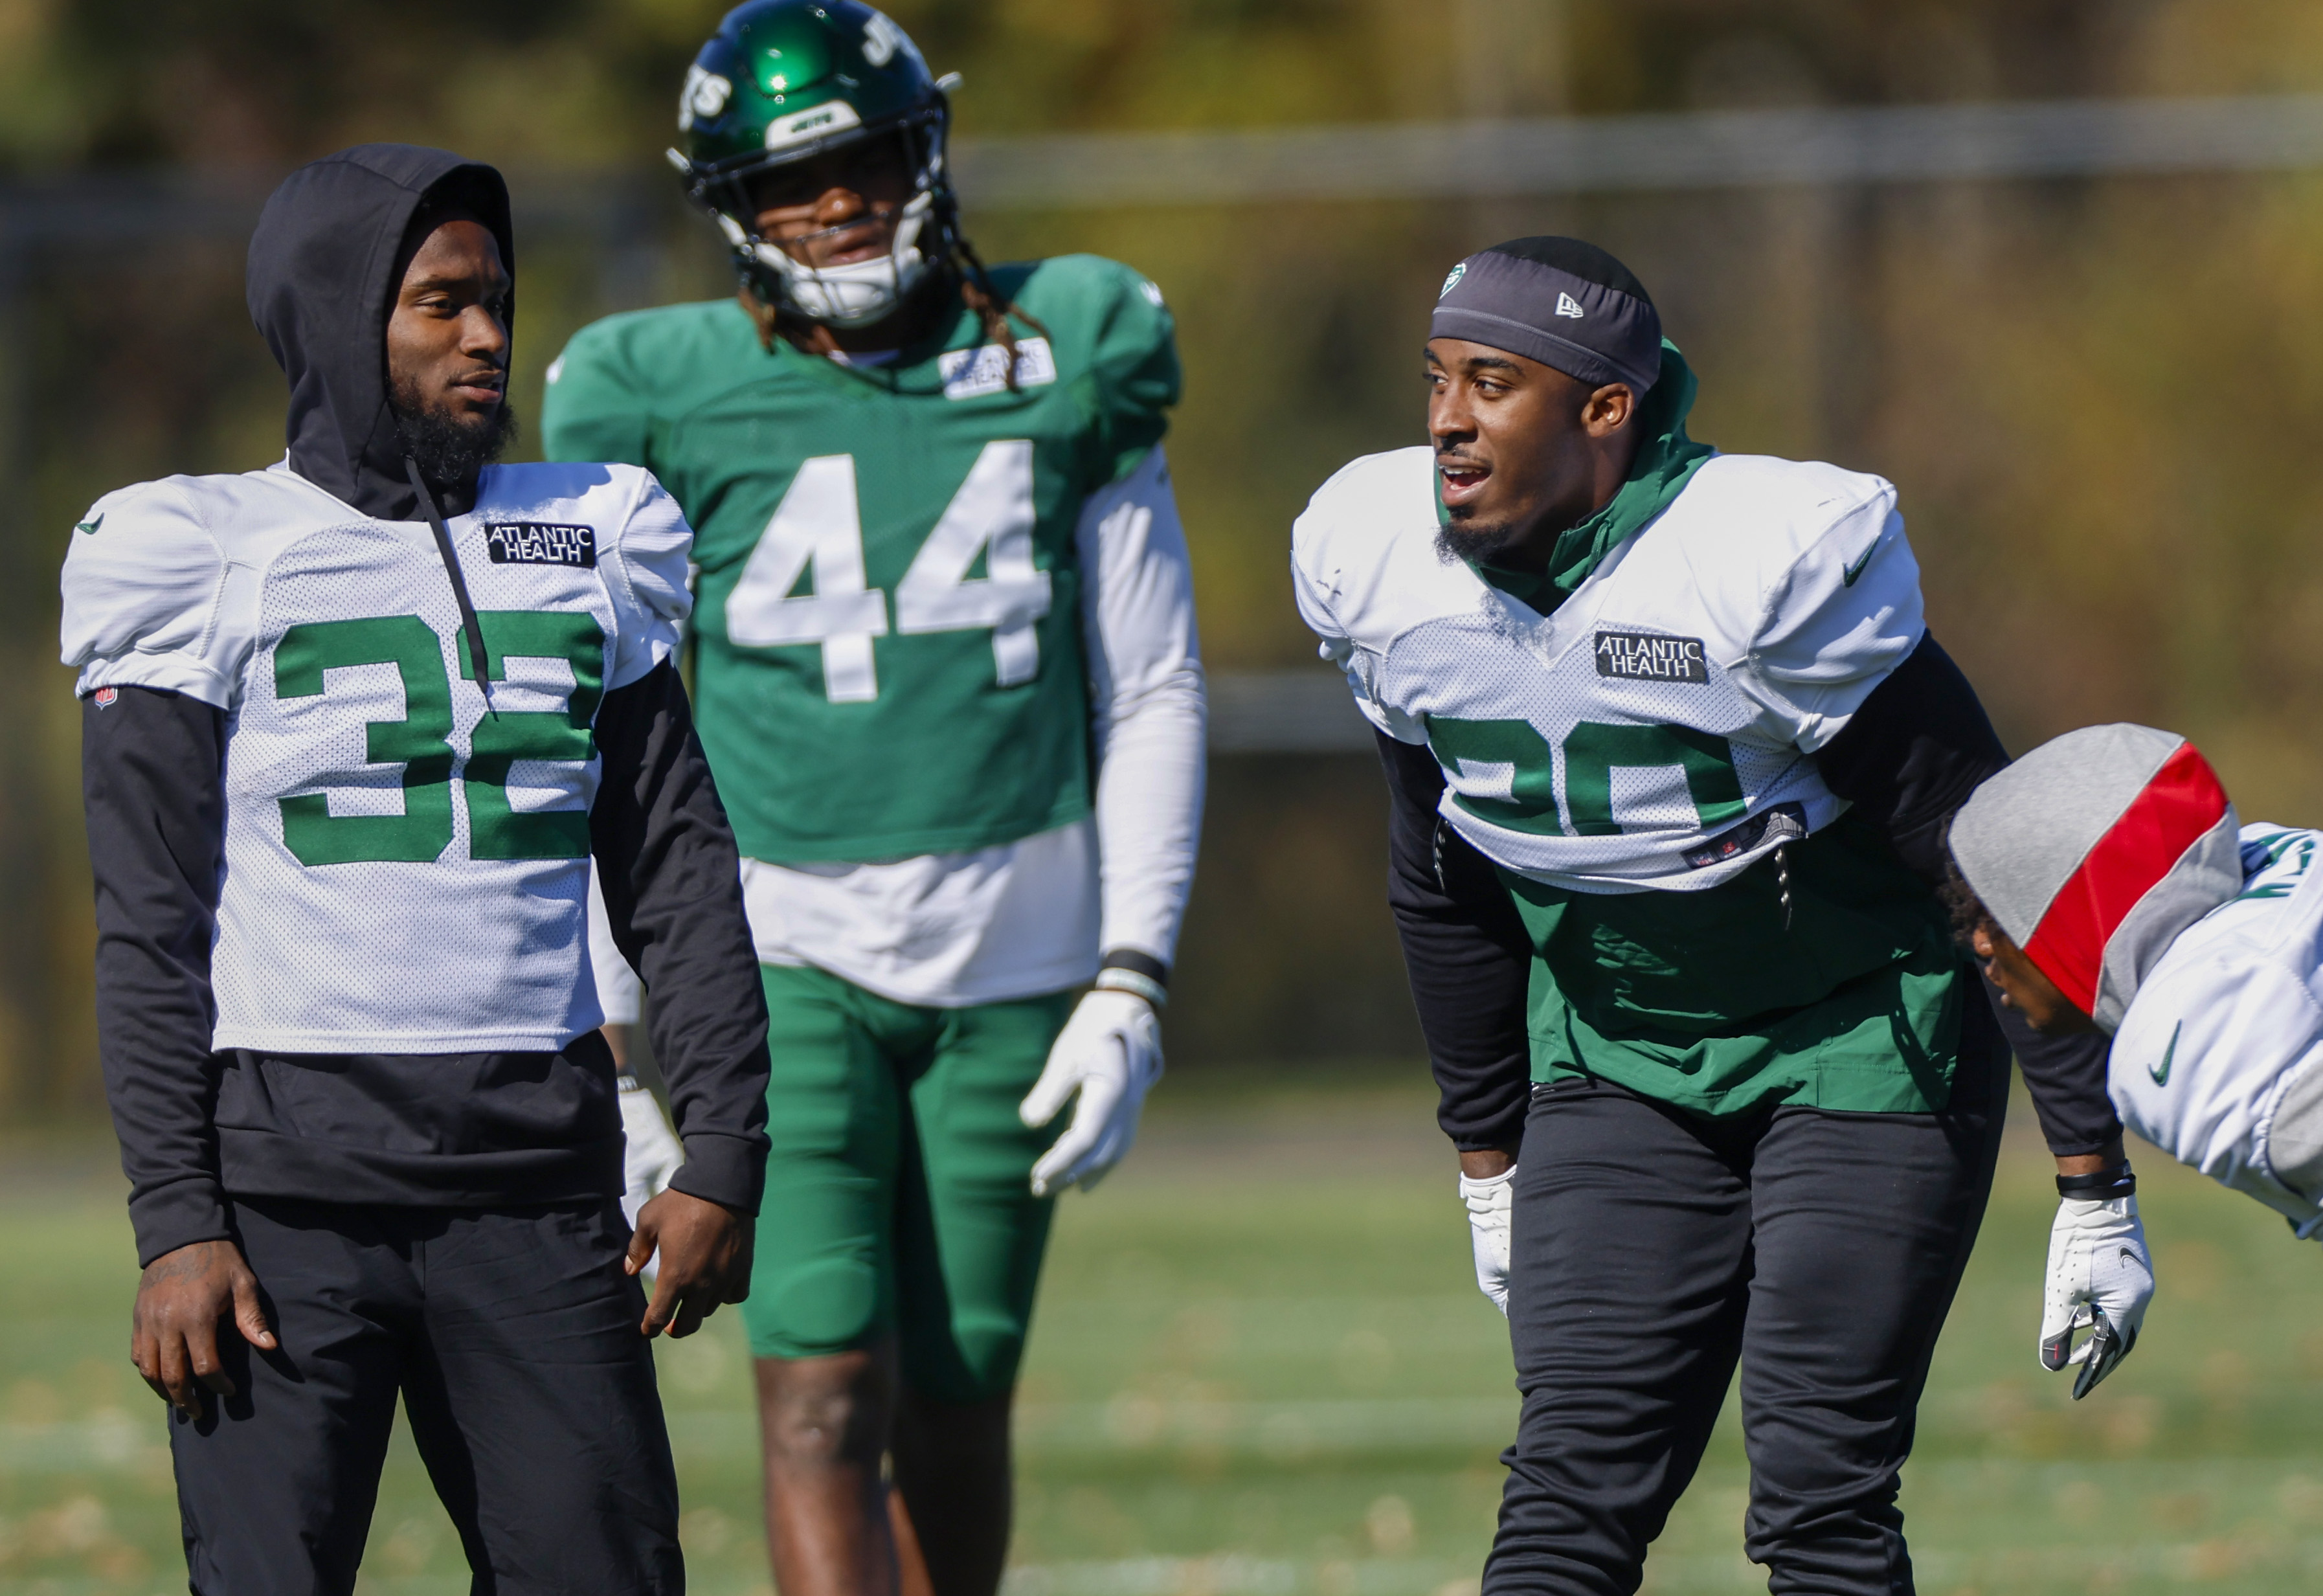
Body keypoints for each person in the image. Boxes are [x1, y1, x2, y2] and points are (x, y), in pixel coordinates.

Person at [1290, 236, 2119, 1595]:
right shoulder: (1384, 564)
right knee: (1567, 1486)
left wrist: (2092, 1170)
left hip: (1859, 1040)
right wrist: (1485, 1151)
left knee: (1819, 1498)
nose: (1445, 418)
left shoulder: (1753, 565)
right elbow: (1435, 872)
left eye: (1491, 382)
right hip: (1617, 1049)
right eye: (1437, 379)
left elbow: (1987, 857)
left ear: (1605, 409)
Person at [539, 6, 1206, 1594]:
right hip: (781, 957)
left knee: (961, 1396)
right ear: (729, 207)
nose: (835, 202)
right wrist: (617, 1043)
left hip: (1020, 952)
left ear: (927, 153)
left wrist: (1132, 978)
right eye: (792, 180)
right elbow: (600, 744)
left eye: (863, 160)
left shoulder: (1068, 347)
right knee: (820, 1387)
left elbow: (1155, 682)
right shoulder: (652, 391)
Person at [62, 143, 772, 1594]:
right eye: (442, 304)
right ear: (338, 316)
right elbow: (148, 924)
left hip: (535, 1185)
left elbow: (678, 864)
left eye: (496, 301)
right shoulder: (205, 552)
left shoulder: (582, 538)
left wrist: (725, 1146)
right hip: (283, 1208)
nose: (489, 336)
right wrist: (178, 1220)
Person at [1947, 722, 2323, 1396]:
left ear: (2073, 916)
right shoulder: (2263, 855)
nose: (1977, 941)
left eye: (1997, 911)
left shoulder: (2185, 1047)